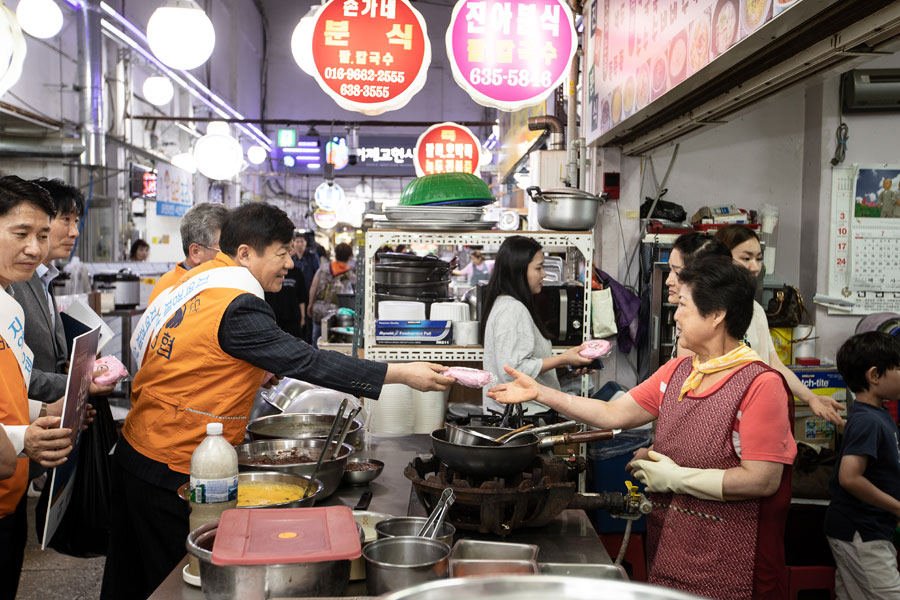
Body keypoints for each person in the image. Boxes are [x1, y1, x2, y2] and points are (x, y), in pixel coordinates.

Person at [101, 203, 453, 599]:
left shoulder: (196, 279)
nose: (290, 263)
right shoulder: (236, 303)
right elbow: (307, 360)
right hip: (174, 462)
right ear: (246, 253)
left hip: (139, 448)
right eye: (282, 253)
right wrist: (401, 374)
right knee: (173, 582)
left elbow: (195, 348)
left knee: (129, 580)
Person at [489, 254, 796, 600]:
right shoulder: (681, 371)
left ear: (717, 315)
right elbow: (612, 413)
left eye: (684, 306)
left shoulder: (760, 385)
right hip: (673, 547)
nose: (675, 315)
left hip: (734, 560)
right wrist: (542, 392)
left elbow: (763, 479)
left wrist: (676, 478)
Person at [0, 176, 76, 600]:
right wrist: (23, 439)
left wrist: (41, 413)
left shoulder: (8, 302)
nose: (34, 248)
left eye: (42, 235)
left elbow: (9, 390)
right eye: (21, 233)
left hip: (10, 502)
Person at [714, 225, 845, 426]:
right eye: (746, 258)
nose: (755, 267)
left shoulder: (755, 310)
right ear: (722, 259)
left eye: (758, 259)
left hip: (752, 415)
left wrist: (811, 397)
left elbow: (773, 365)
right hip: (718, 416)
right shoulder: (708, 309)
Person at [824, 331, 900, 599]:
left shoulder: (877, 415)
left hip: (867, 530)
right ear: (874, 375)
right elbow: (850, 477)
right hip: (861, 531)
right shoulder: (868, 420)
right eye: (898, 367)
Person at [480, 236, 592, 416]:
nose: (544, 274)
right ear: (518, 271)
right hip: (523, 416)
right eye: (538, 268)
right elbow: (513, 370)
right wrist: (563, 359)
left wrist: (569, 366)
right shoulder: (512, 309)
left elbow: (524, 364)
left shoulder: (509, 305)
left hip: (520, 412)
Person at [148, 202, 228, 303]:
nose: (234, 257)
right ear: (196, 252)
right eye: (225, 250)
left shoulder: (165, 280)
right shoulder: (195, 291)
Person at [308, 242, 355, 347]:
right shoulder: (350, 274)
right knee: (333, 344)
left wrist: (310, 304)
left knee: (316, 341)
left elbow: (313, 287)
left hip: (319, 310)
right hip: (337, 315)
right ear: (349, 257)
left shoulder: (323, 268)